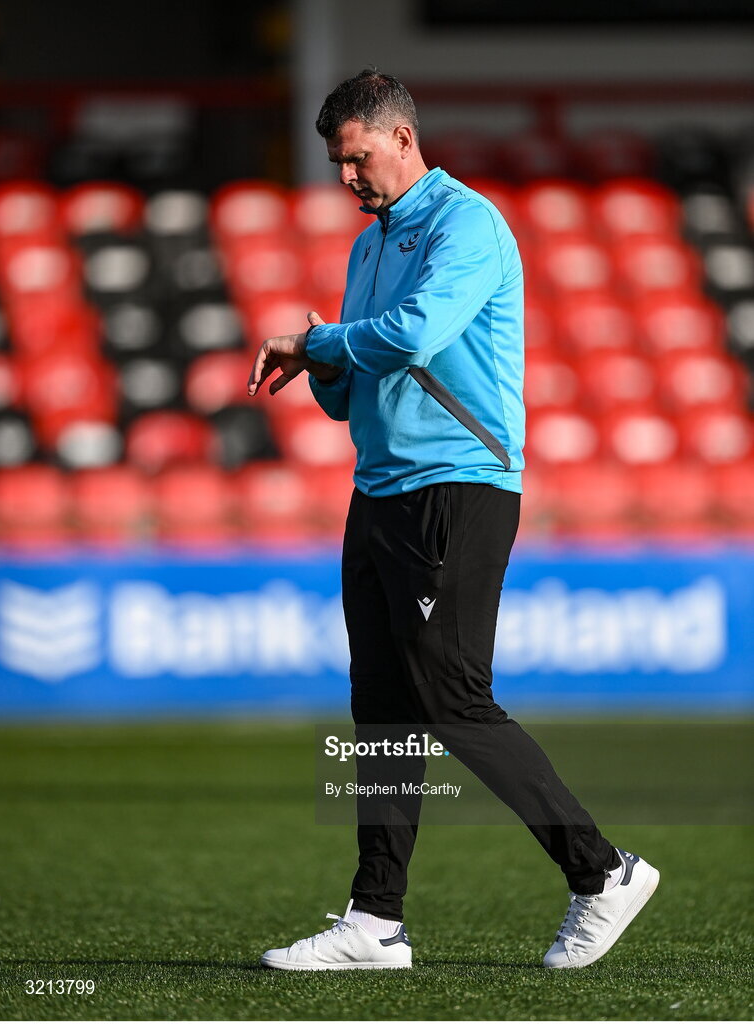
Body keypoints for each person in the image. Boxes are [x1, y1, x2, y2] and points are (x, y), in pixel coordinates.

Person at [247, 68, 659, 971]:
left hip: (459, 485)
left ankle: (602, 873)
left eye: (356, 159)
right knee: (383, 709)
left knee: (451, 700)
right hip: (382, 490)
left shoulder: (466, 224)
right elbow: (357, 389)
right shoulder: (369, 246)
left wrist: (320, 343)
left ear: (401, 138)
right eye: (336, 166)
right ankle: (374, 922)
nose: (348, 179)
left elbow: (413, 336)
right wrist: (324, 367)